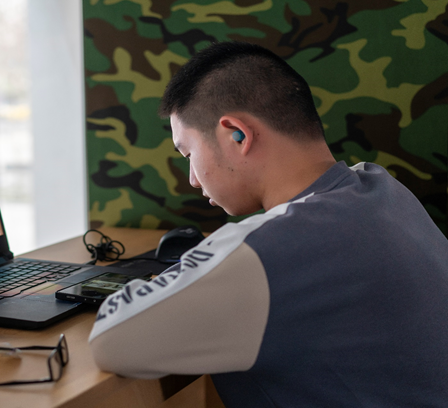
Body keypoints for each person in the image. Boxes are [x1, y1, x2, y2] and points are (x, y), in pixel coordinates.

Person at [88, 41, 448, 407]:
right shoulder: (381, 189)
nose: (193, 179)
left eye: (188, 153)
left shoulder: (272, 249)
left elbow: (110, 340)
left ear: (238, 134)